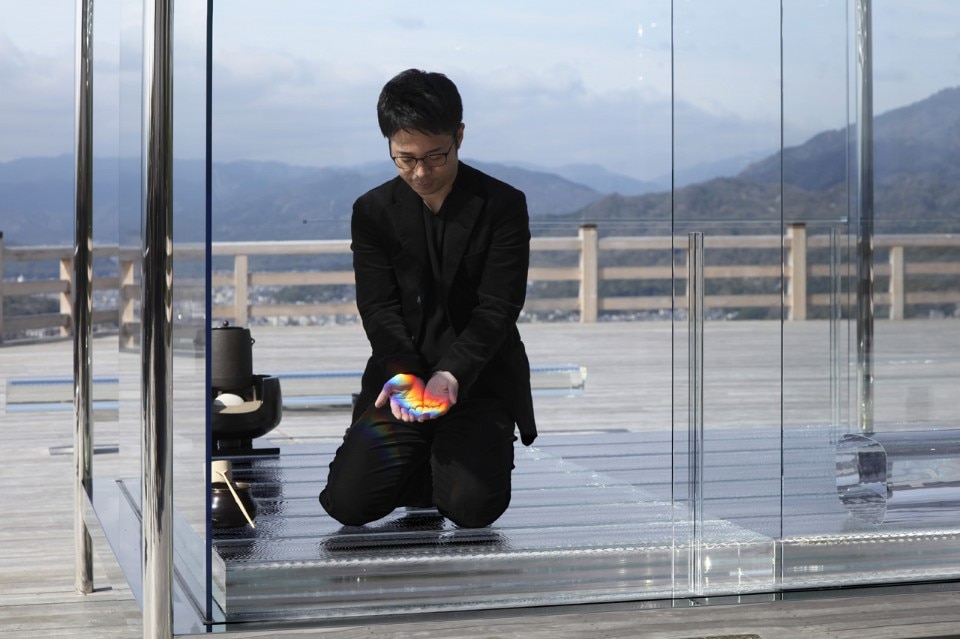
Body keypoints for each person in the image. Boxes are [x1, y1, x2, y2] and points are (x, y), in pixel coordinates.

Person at [318, 69, 537, 529]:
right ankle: (423, 463)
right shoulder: (373, 211)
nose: (420, 172)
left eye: (436, 157)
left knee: (471, 509)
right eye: (405, 159)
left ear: (459, 135)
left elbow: (498, 306)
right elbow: (378, 307)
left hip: (476, 379)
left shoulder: (502, 205)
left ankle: (457, 456)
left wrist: (452, 374)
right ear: (390, 145)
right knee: (348, 504)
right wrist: (403, 374)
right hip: (401, 382)